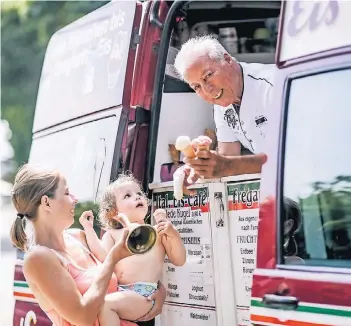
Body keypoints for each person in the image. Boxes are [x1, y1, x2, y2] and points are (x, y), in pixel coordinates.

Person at [10, 164, 166, 326]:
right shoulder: (39, 258)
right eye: (67, 193)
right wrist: (112, 259)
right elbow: (82, 317)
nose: (75, 198)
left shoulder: (79, 237)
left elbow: (126, 274)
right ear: (46, 203)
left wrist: (158, 291)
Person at [79, 173, 186, 325]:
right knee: (103, 305)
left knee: (106, 305)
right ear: (113, 213)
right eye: (127, 195)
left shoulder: (156, 232)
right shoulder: (113, 234)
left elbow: (179, 259)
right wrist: (89, 229)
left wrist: (173, 234)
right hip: (120, 292)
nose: (137, 197)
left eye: (139, 193)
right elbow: (103, 256)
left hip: (145, 294)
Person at [173, 35, 276, 181]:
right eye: (197, 87)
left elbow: (293, 157)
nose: (207, 90)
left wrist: (230, 166)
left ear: (227, 60)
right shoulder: (222, 102)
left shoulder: (273, 86)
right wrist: (200, 167)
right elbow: (228, 155)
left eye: (208, 75)